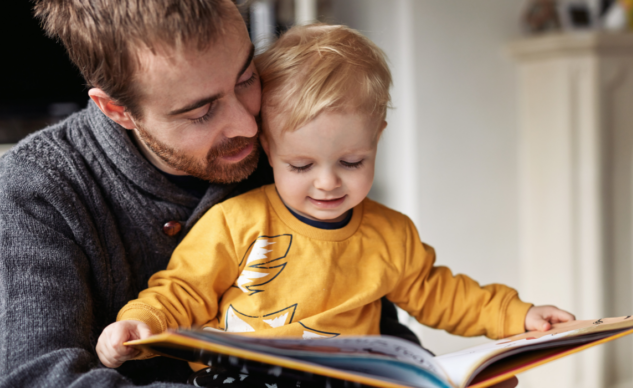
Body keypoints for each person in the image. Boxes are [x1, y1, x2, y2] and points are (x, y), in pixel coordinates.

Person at [95, 24, 575, 387]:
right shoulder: (237, 221)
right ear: (266, 146)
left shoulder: (391, 234)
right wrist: (142, 324)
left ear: (377, 138)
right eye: (301, 166)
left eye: (351, 160)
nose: (327, 183)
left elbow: (441, 293)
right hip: (246, 376)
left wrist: (520, 316)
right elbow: (184, 292)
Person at [0, 1, 418, 387]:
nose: (250, 126)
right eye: (202, 111)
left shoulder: (293, 149)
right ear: (118, 111)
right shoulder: (43, 180)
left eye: (247, 76)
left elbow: (372, 319)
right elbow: (35, 374)